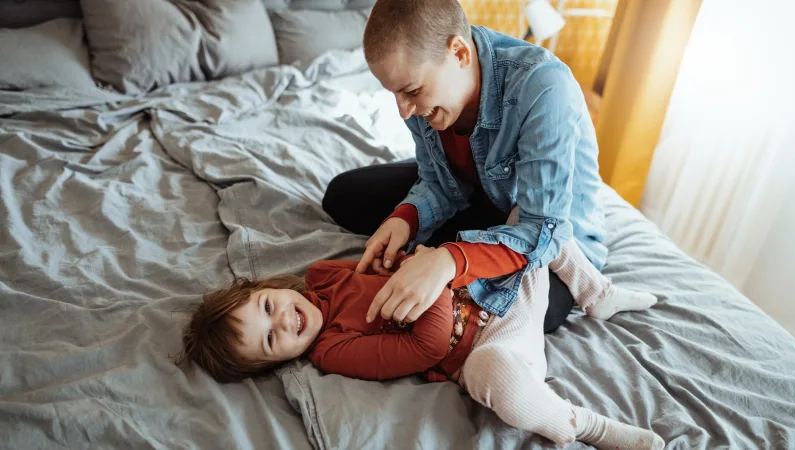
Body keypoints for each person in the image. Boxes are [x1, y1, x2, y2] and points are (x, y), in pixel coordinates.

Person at [321, 0, 658, 334]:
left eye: (411, 91)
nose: (404, 111)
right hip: (476, 198)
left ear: (459, 53)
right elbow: (437, 180)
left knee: (531, 312)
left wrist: (449, 260)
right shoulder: (422, 101)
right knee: (343, 196)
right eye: (394, 94)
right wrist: (405, 219)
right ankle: (452, 248)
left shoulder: (543, 86)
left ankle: (458, 252)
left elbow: (542, 227)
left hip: (549, 229)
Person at [176, 248, 664, 449]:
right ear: (274, 362)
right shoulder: (332, 349)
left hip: (498, 288)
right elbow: (427, 346)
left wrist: (422, 259)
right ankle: (586, 426)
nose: (282, 320)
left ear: (268, 287)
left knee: (536, 216)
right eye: (270, 340)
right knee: (497, 379)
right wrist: (429, 276)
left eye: (266, 307)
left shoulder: (324, 273)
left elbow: (392, 262)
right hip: (488, 343)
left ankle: (596, 294)